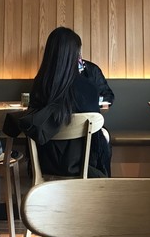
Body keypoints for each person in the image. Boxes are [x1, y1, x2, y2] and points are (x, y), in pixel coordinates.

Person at [20, 26, 111, 177]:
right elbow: (95, 139)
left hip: (44, 164)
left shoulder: (39, 85)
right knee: (103, 136)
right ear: (76, 54)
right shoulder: (88, 88)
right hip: (82, 167)